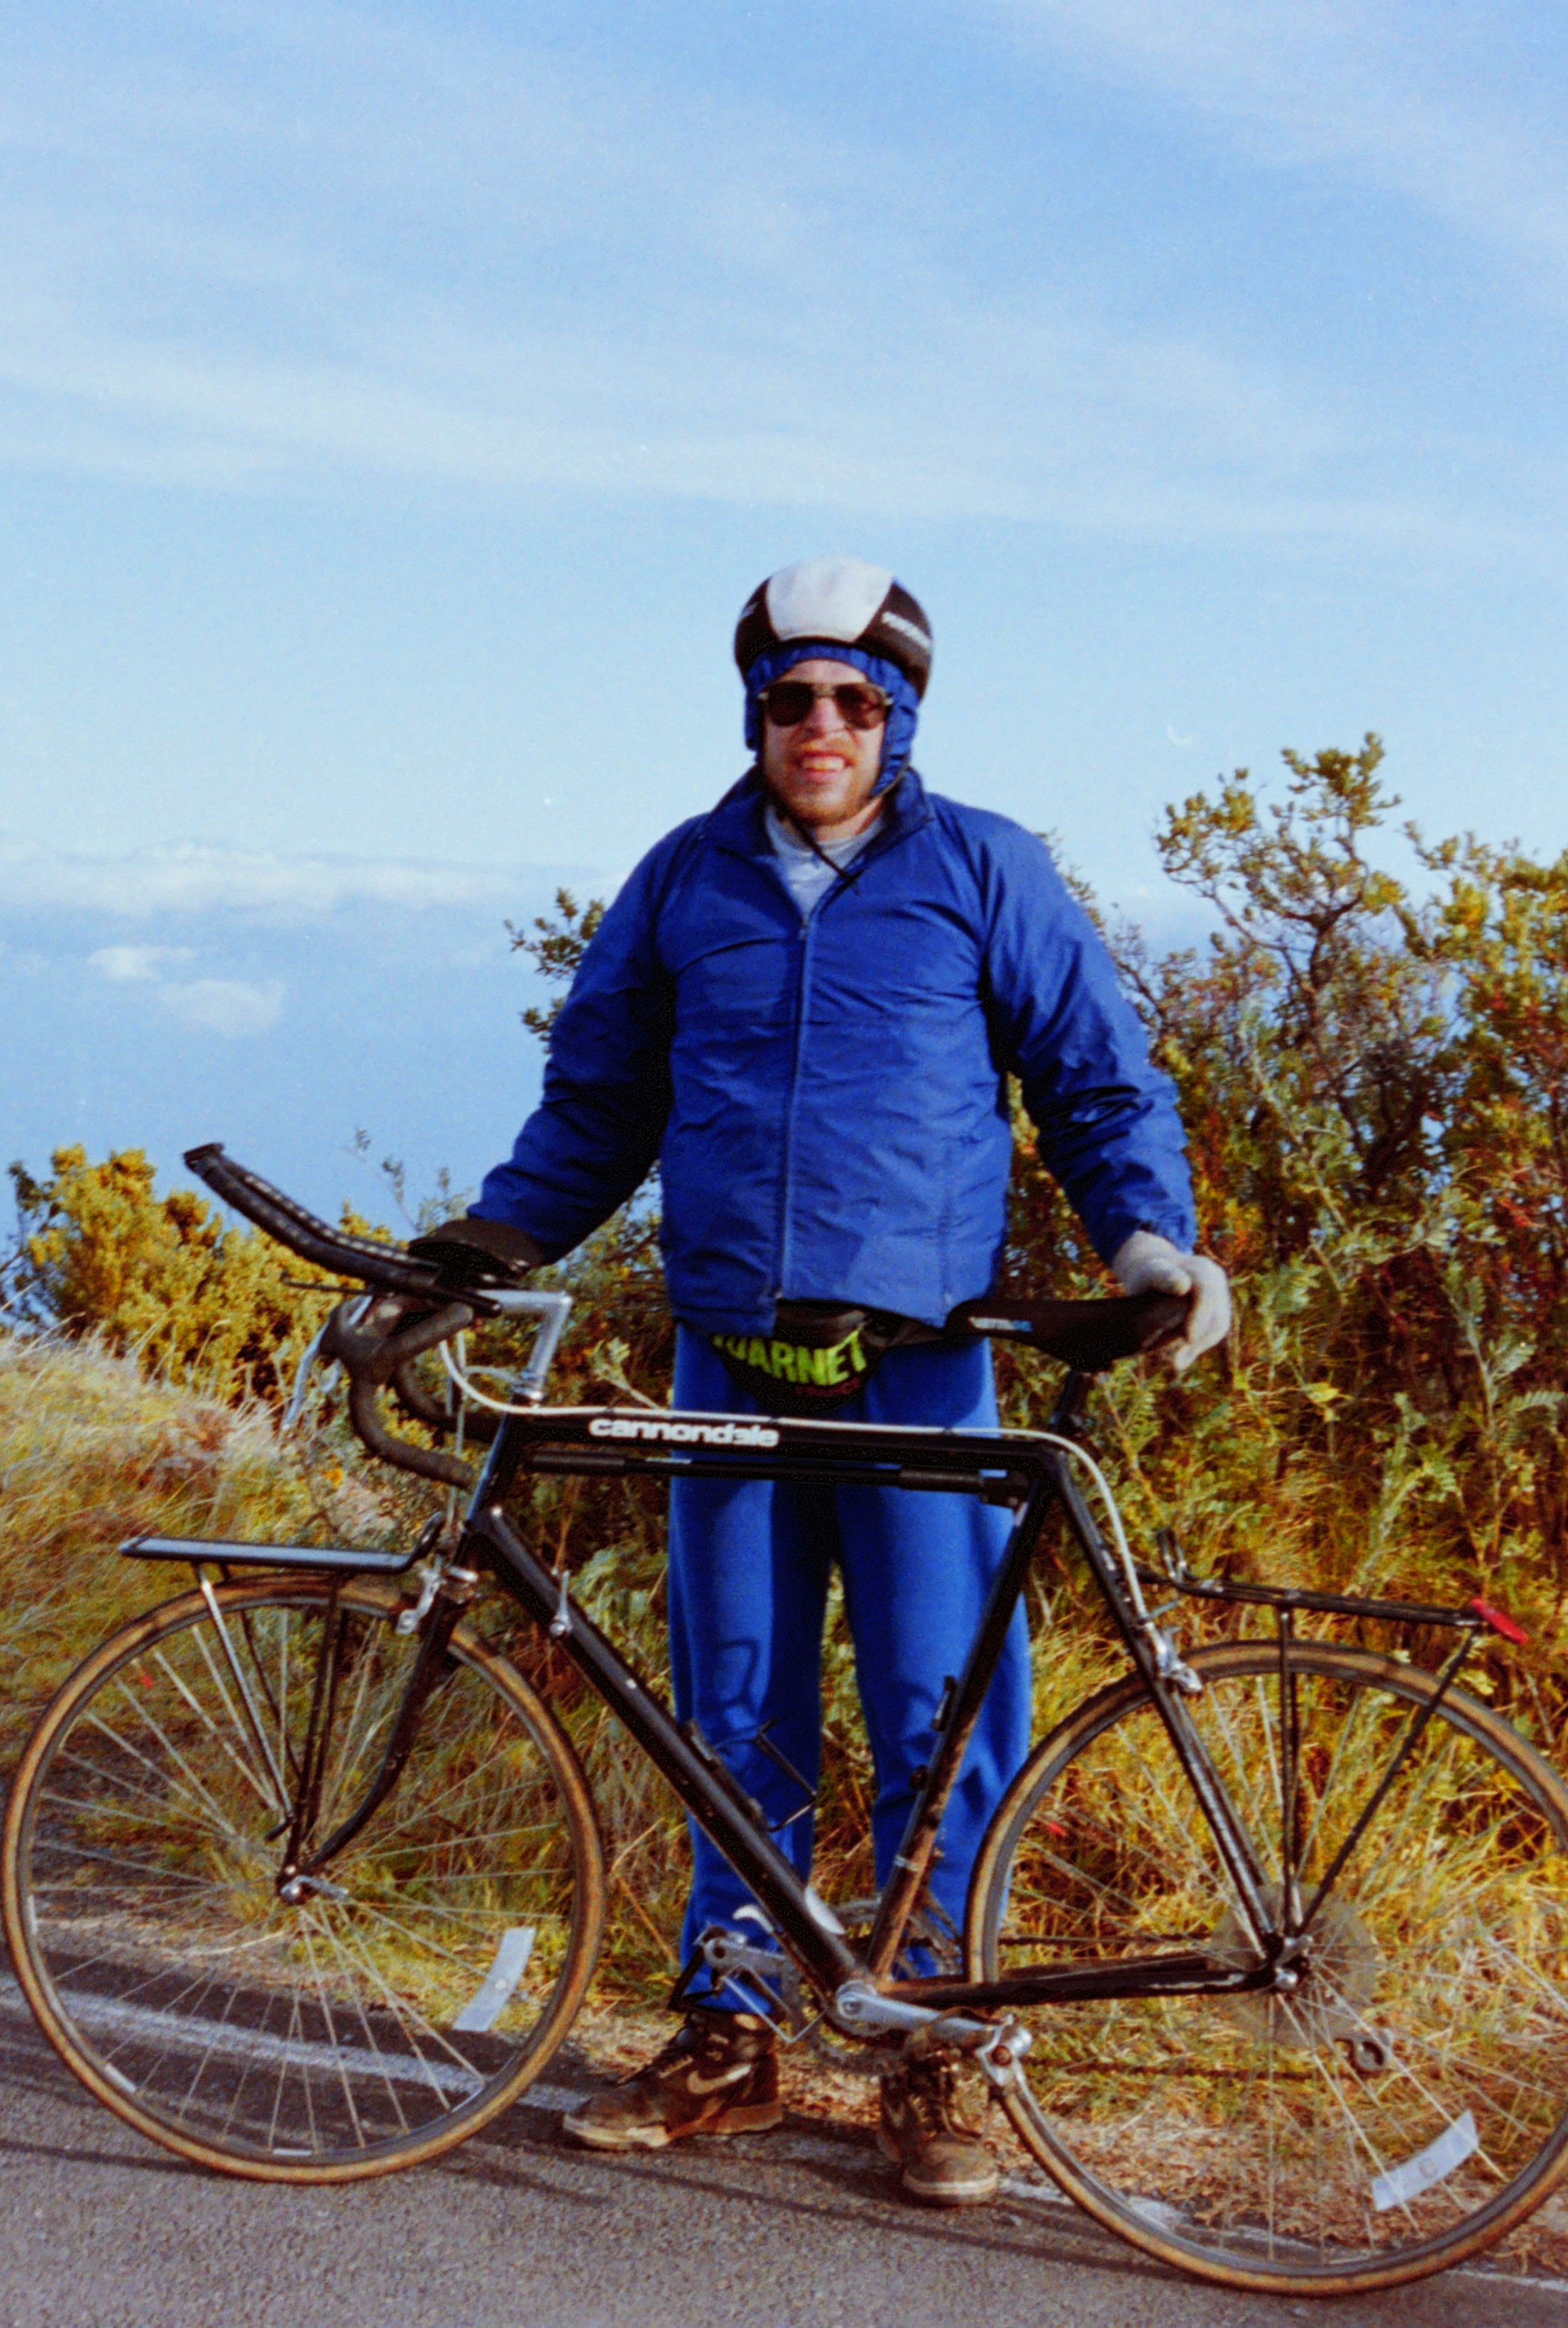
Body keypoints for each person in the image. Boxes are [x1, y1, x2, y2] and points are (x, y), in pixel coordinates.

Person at [409, 556, 1231, 2206]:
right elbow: (595, 1104)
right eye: (794, 697)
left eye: (859, 698)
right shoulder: (682, 880)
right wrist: (488, 1246)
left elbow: (1094, 1077)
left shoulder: (982, 870)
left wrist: (1151, 1241)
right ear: (756, 710)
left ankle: (935, 2042)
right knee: (732, 1707)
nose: (823, 725)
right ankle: (732, 2034)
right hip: (733, 1354)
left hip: (919, 1369)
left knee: (941, 1707)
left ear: (902, 714)